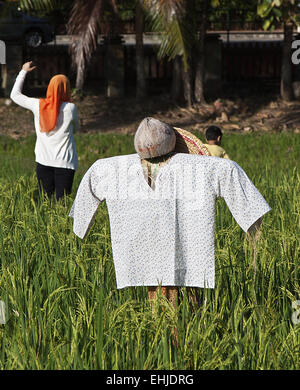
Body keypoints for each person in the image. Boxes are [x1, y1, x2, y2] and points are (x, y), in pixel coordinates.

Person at [69, 117, 271, 307]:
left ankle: (174, 334)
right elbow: (229, 170)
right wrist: (251, 220)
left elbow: (93, 176)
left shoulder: (113, 168)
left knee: (162, 294)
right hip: (184, 246)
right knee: (186, 295)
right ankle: (180, 336)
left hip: (145, 244)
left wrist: (80, 224)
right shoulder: (200, 167)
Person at [10, 61, 79, 201]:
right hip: (65, 163)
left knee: (45, 202)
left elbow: (15, 95)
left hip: (43, 162)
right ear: (66, 89)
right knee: (63, 203)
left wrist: (23, 71)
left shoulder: (38, 105)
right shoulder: (71, 108)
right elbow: (76, 128)